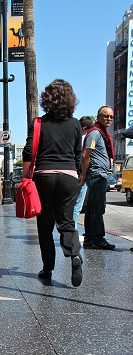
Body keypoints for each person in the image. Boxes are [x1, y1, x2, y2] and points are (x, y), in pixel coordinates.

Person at [22, 79, 83, 287]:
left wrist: (25, 177)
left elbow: (29, 151)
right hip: (68, 176)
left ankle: (47, 268)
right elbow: (77, 156)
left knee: (45, 224)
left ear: (46, 99)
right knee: (66, 221)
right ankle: (74, 255)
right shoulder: (75, 124)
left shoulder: (39, 123)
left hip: (44, 176)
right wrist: (77, 175)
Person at [80, 106, 116, 250]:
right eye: (106, 116)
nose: (109, 119)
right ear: (98, 117)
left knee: (92, 207)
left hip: (99, 174)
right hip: (96, 174)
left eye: (111, 117)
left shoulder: (102, 133)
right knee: (98, 207)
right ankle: (97, 238)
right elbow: (85, 155)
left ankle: (90, 237)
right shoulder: (95, 133)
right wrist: (83, 174)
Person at [73, 116, 94, 230]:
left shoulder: (73, 138)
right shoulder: (87, 138)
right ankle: (73, 232)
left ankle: (70, 232)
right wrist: (83, 174)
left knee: (72, 206)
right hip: (80, 174)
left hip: (70, 174)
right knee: (77, 206)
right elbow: (85, 156)